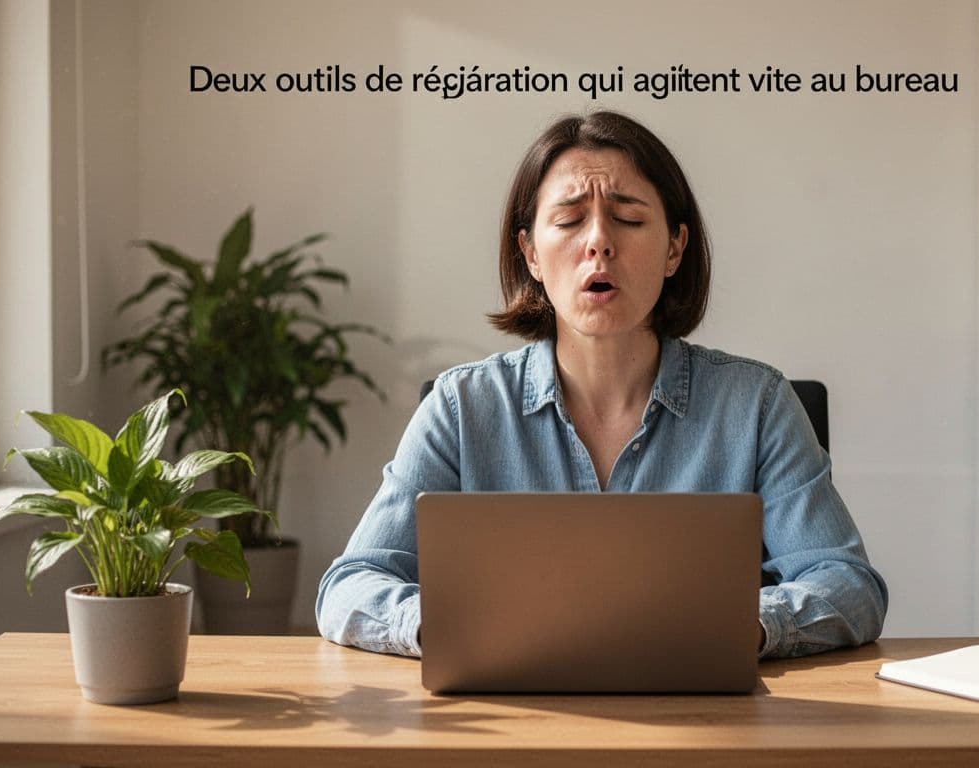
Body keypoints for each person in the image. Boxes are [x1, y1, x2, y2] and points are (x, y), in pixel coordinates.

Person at [316, 110, 887, 659]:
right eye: (569, 221)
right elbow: (351, 584)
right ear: (530, 253)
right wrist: (453, 625)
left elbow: (847, 583)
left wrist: (738, 627)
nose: (598, 243)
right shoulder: (462, 407)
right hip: (510, 709)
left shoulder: (757, 405)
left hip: (704, 713)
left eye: (629, 219)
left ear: (674, 248)